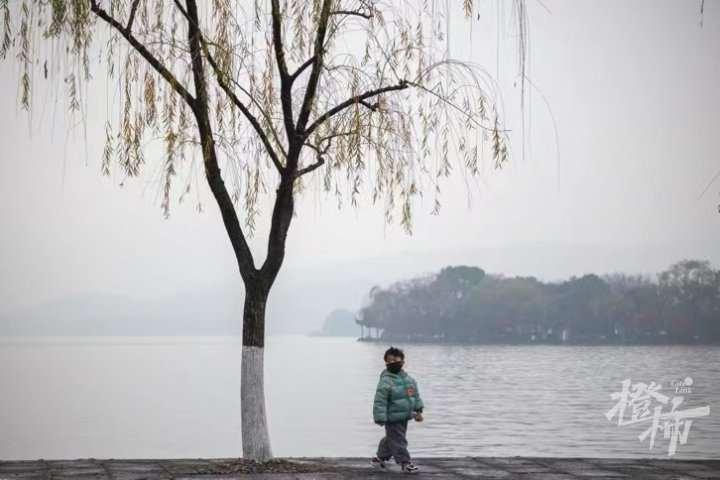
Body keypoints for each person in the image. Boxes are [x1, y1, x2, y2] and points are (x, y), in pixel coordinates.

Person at [371, 346, 424, 474]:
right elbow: (380, 400)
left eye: (395, 360)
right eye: (389, 361)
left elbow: (415, 396)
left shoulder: (409, 380)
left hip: (405, 416)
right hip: (392, 417)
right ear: (386, 363)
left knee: (392, 438)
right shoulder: (386, 381)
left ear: (402, 361)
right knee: (399, 440)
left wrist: (418, 410)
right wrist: (379, 417)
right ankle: (405, 463)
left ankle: (379, 458)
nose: (392, 363)